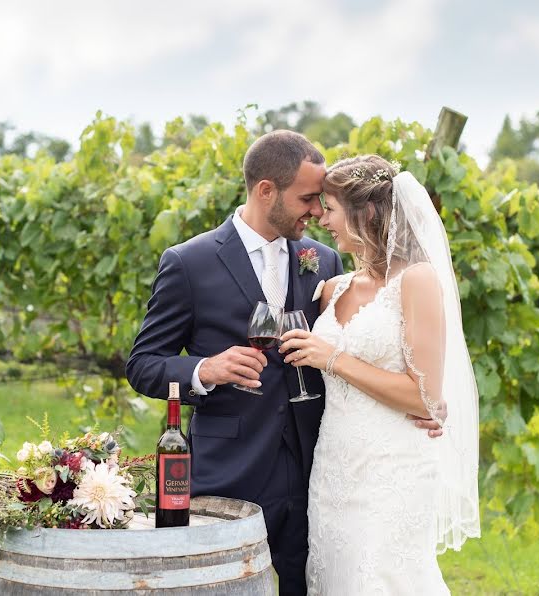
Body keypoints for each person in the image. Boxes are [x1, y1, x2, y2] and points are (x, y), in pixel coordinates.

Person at [126, 133, 441, 595]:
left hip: (322, 470)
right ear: (266, 190)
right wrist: (204, 370)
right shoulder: (188, 263)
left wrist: (426, 402)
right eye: (308, 199)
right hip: (230, 471)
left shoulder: (326, 261)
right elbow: (143, 364)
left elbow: (371, 349)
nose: (317, 211)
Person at [278, 155, 481, 594]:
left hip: (392, 469)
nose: (321, 218)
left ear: (366, 212)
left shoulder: (417, 280)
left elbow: (424, 397)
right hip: (333, 466)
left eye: (329, 208)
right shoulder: (333, 288)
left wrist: (332, 358)